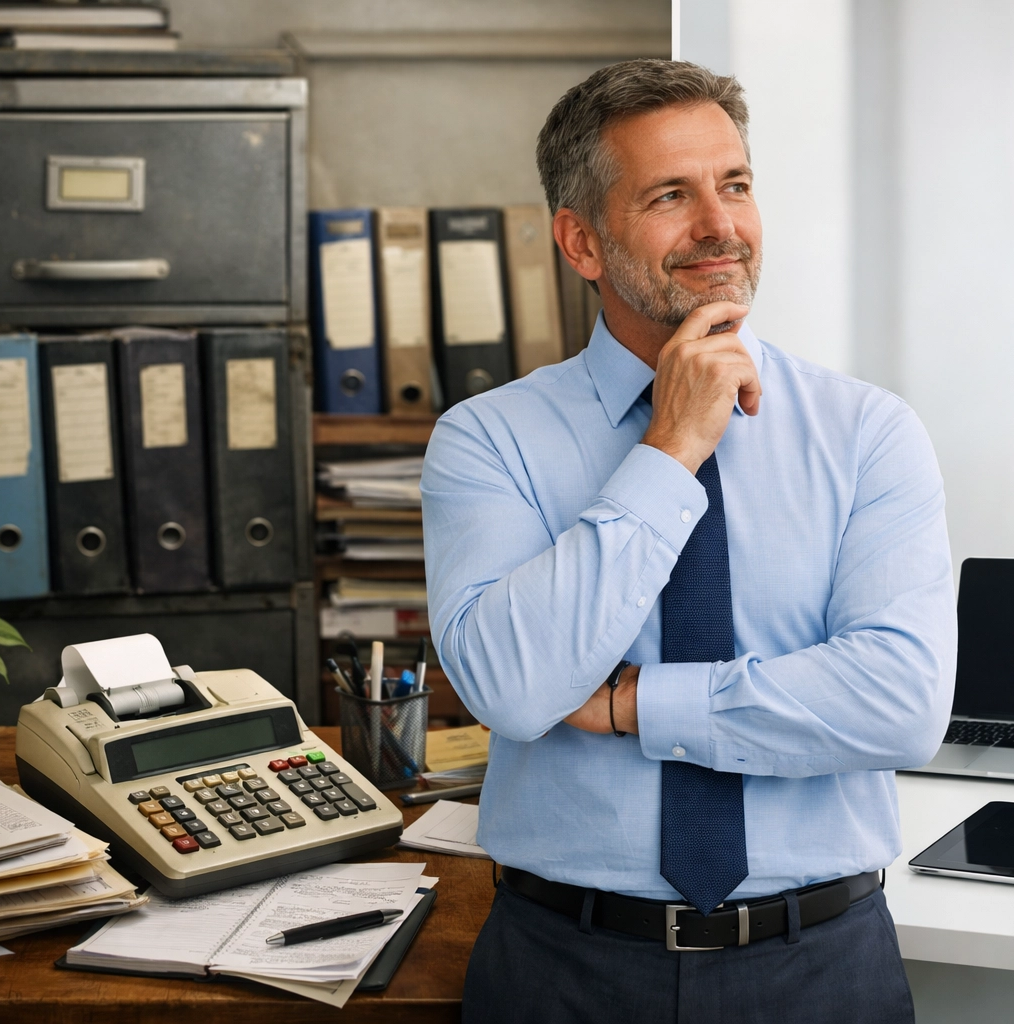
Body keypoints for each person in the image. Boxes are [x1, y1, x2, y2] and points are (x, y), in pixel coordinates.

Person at [422, 58, 955, 1023]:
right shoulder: (487, 440)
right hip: (564, 971)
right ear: (582, 242)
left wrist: (632, 701)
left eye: (735, 185)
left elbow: (901, 704)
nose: (720, 225)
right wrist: (670, 449)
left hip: (822, 969)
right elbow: (511, 687)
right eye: (671, 195)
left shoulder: (868, 432)